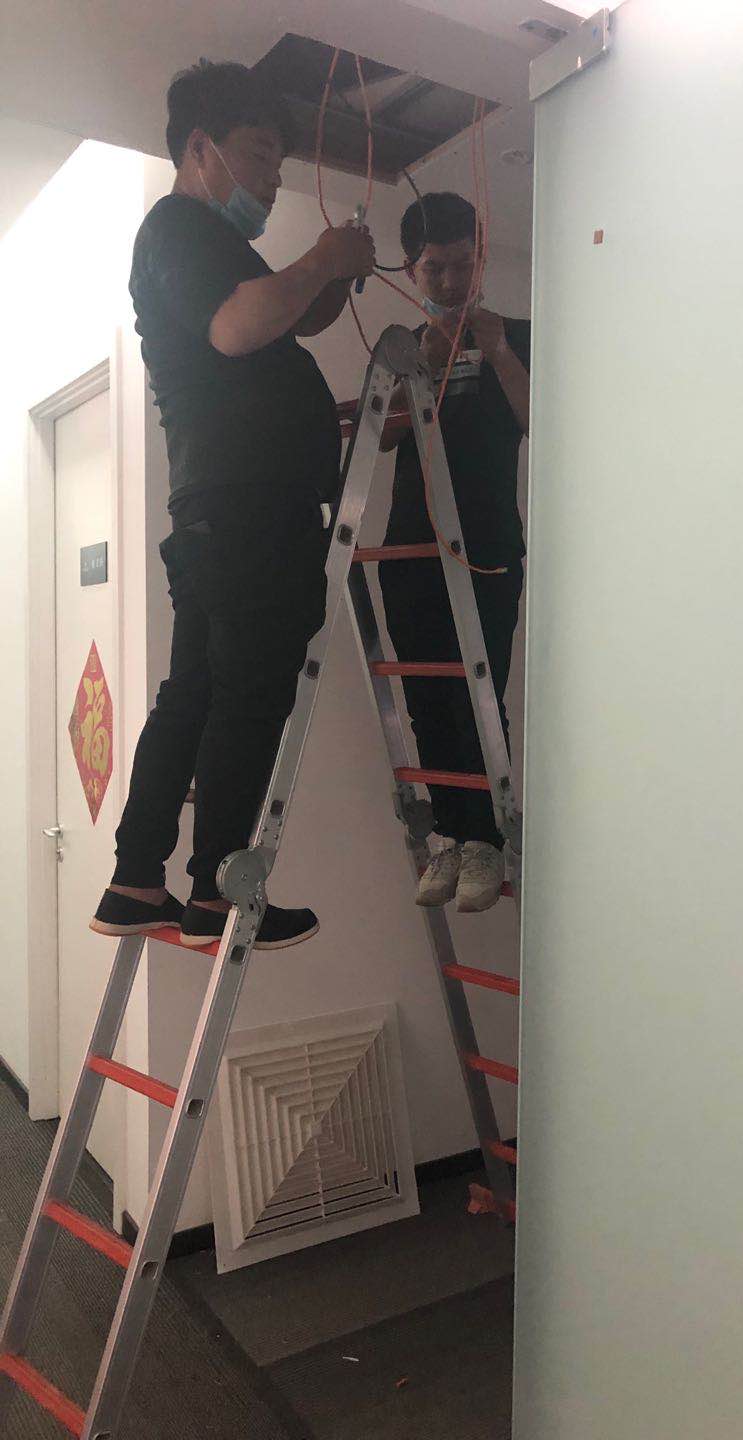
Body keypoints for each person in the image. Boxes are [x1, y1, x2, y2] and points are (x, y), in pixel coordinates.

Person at [89, 60, 375, 950]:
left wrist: (332, 276)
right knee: (247, 696)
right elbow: (241, 324)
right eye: (257, 154)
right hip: (251, 511)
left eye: (279, 163)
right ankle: (217, 893)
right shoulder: (180, 228)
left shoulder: (207, 245)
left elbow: (283, 315)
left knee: (198, 691)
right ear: (200, 149)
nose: (271, 178)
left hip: (223, 510)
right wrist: (321, 258)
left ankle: (137, 882)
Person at [379, 192, 530, 913]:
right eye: (434, 268)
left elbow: (543, 420)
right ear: (412, 270)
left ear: (481, 258)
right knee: (426, 696)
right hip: (410, 544)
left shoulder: (518, 335)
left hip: (488, 543)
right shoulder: (403, 350)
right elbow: (382, 435)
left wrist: (495, 350)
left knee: (479, 690)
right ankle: (449, 835)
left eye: (462, 265)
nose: (449, 281)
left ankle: (486, 841)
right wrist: (424, 369)